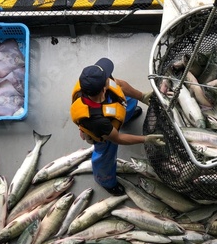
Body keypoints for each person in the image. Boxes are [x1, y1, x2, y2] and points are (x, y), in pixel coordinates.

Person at [70, 57, 164, 196]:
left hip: (110, 109)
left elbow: (119, 84)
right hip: (103, 134)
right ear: (103, 89)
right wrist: (145, 139)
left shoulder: (91, 82)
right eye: (107, 78)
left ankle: (125, 117)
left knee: (128, 101)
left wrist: (141, 96)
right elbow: (118, 138)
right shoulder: (96, 120)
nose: (109, 78)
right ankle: (105, 180)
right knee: (106, 155)